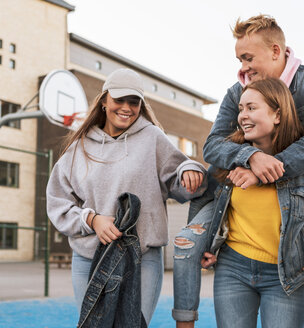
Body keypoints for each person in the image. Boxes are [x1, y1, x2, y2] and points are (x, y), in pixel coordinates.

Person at [173, 14, 304, 328]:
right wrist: (250, 156)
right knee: (188, 240)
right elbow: (214, 146)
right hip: (238, 254)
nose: (243, 67)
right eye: (239, 59)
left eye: (248, 58)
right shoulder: (237, 92)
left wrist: (264, 170)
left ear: (276, 51)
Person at [46, 68, 207, 325]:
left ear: (141, 105)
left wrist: (190, 167)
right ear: (104, 101)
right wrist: (92, 220)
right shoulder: (79, 148)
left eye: (133, 102)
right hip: (89, 257)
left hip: (142, 257)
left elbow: (184, 181)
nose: (126, 107)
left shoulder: (153, 138)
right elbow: (58, 203)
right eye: (119, 100)